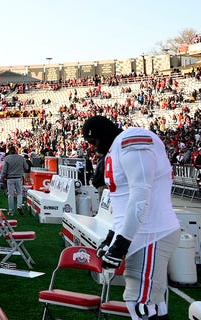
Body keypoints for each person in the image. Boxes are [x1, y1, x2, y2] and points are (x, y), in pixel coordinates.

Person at [82, 115, 180, 320]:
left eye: (93, 141)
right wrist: (113, 236)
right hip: (143, 232)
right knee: (154, 302)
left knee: (139, 303)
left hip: (151, 232)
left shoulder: (132, 139)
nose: (92, 147)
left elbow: (140, 195)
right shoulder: (118, 147)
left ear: (103, 134)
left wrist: (121, 243)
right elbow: (123, 201)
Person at [1, 145, 27, 216]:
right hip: (19, 178)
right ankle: (19, 206)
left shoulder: (7, 158)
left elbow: (4, 170)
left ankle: (11, 211)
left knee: (10, 195)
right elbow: (26, 167)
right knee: (19, 193)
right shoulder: (21, 158)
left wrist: (2, 177)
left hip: (10, 178)